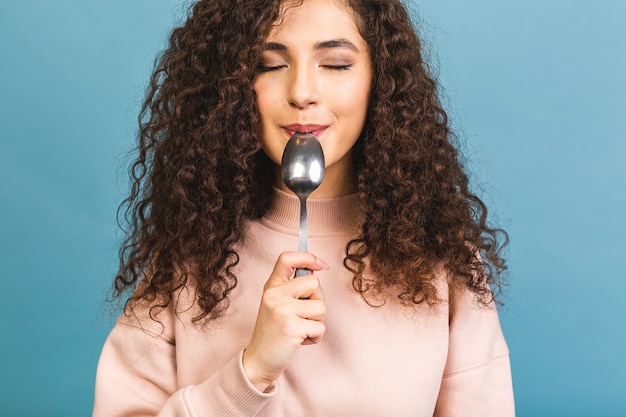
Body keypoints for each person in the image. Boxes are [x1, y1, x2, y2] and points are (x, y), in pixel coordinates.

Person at [93, 0, 514, 415]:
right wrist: (250, 372)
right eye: (270, 65)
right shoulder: (189, 252)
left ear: (380, 80)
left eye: (335, 64)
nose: (301, 93)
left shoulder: (441, 259)